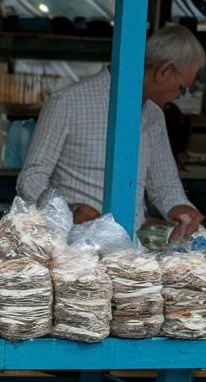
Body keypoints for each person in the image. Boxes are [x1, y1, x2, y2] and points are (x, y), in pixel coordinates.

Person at [17, 24, 206, 241]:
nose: (178, 96)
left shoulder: (154, 115)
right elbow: (31, 178)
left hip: (129, 251)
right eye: (181, 87)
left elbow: (164, 184)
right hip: (72, 249)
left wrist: (181, 208)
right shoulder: (67, 103)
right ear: (166, 72)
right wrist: (66, 210)